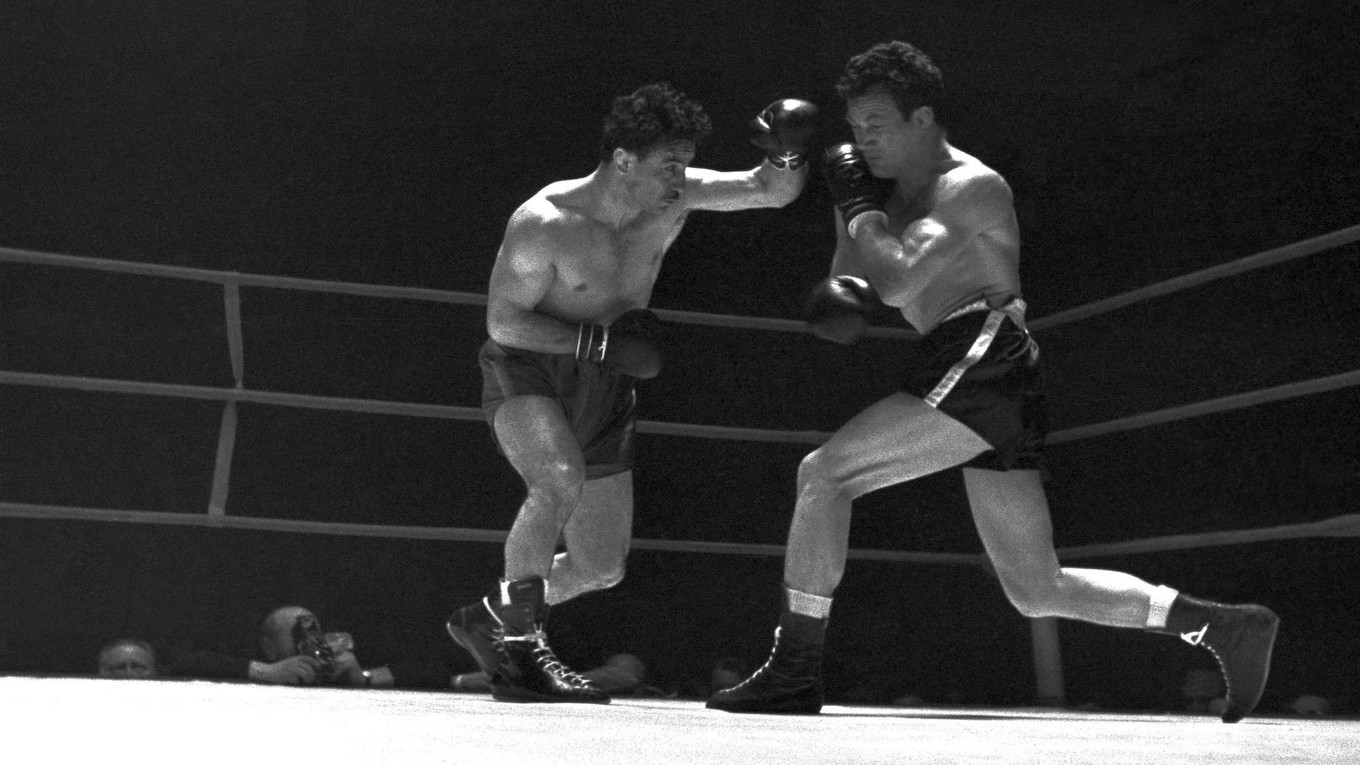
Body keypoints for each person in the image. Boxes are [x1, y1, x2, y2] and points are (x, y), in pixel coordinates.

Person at [705, 41, 1279, 724]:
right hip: (982, 365)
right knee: (1037, 587)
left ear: (922, 118)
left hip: (983, 350)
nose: (864, 138)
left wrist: (859, 208)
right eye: (855, 126)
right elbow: (853, 288)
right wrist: (831, 191)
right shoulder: (886, 194)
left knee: (825, 474)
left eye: (877, 123)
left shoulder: (972, 186)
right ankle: (1223, 624)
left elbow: (897, 280)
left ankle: (794, 668)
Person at [446, 82, 816, 704]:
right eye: (668, 164)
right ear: (622, 160)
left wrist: (787, 152)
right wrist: (600, 344)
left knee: (600, 566)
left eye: (685, 162)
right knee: (557, 479)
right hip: (530, 367)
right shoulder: (546, 222)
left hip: (607, 380)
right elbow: (504, 322)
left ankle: (488, 616)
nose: (681, 177)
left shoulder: (673, 200)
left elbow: (769, 190)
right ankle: (520, 654)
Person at [172, 605, 457, 688]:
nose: (312, 645)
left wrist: (364, 678)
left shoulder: (333, 659)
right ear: (270, 648)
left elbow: (435, 670)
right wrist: (267, 672)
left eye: (315, 635)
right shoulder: (252, 661)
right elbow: (185, 661)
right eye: (299, 638)